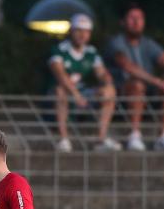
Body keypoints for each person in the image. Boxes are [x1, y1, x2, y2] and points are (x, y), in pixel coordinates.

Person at [104, 4, 164, 151]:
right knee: (137, 85)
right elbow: (128, 67)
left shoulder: (148, 43)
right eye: (132, 18)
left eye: (140, 18)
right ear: (122, 22)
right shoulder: (116, 43)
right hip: (122, 93)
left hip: (149, 92)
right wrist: (157, 82)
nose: (136, 22)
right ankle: (134, 135)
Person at [46, 14, 119, 152]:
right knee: (60, 91)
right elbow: (60, 75)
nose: (82, 35)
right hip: (58, 94)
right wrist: (76, 95)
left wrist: (106, 79)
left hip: (82, 93)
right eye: (78, 30)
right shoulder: (59, 50)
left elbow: (101, 73)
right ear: (71, 31)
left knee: (109, 91)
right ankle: (63, 139)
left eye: (86, 31)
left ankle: (101, 138)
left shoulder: (91, 52)